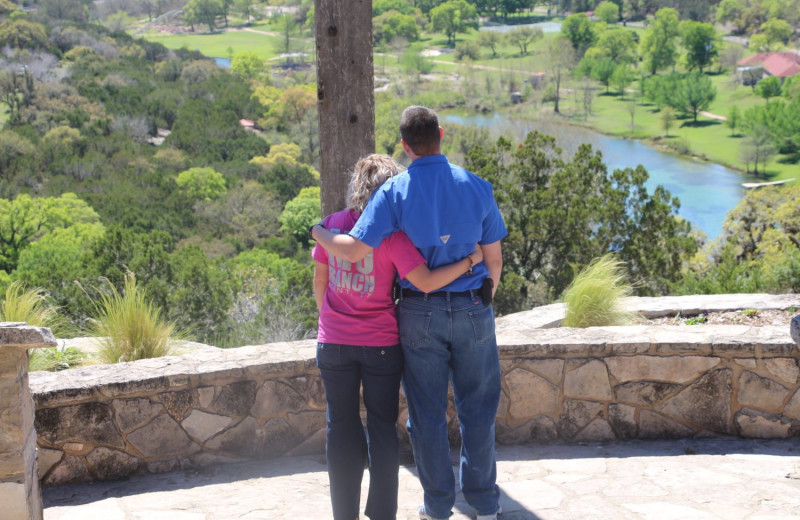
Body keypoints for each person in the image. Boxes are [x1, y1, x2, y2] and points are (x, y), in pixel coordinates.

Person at [312, 106, 507, 520]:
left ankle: (437, 505)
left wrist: (318, 231)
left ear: (404, 145)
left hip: (419, 313)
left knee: (427, 413)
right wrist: (480, 293)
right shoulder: (477, 187)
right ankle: (485, 504)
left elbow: (354, 250)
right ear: (441, 133)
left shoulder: (394, 192)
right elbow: (494, 262)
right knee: (479, 408)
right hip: (474, 308)